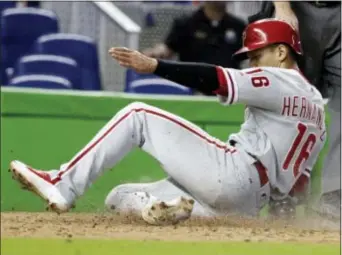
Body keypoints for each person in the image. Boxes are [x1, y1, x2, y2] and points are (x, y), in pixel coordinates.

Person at [9, 19, 327, 225]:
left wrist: (156, 66)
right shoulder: (316, 110)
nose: (253, 63)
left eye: (257, 56)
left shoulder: (279, 79)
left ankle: (62, 183)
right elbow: (298, 187)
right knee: (118, 196)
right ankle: (163, 207)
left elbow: (215, 78)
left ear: (282, 52)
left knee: (138, 116)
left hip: (235, 175)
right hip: (247, 204)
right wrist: (278, 226)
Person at [249, 1, 341, 220]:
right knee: (286, 98)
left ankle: (334, 193)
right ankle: (281, 196)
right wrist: (282, 7)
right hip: (296, 9)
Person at [143, 1, 245, 69]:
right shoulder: (186, 23)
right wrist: (157, 52)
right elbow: (169, 47)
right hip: (192, 87)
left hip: (228, 89)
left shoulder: (239, 26)